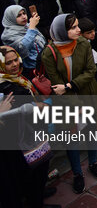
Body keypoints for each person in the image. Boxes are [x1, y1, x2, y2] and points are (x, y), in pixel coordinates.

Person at [42, 14, 97, 194]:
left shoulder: (83, 44)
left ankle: (93, 163)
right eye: (73, 28)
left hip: (88, 95)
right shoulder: (49, 53)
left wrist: (70, 85)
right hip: (66, 103)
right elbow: (56, 85)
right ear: (61, 30)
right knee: (72, 138)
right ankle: (77, 173)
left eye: (78, 26)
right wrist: (74, 104)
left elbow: (90, 71)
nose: (78, 30)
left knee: (92, 131)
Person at [0, 46, 58, 208]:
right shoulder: (6, 87)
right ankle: (36, 201)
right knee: (34, 169)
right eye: (8, 62)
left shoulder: (17, 78)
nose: (14, 64)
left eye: (15, 59)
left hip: (33, 131)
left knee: (38, 170)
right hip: (24, 138)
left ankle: (38, 192)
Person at [1, 5, 46, 79]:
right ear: (11, 18)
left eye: (24, 13)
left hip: (43, 64)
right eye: (19, 15)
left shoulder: (27, 26)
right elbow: (22, 48)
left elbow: (42, 41)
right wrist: (31, 28)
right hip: (30, 69)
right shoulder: (8, 35)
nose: (24, 17)